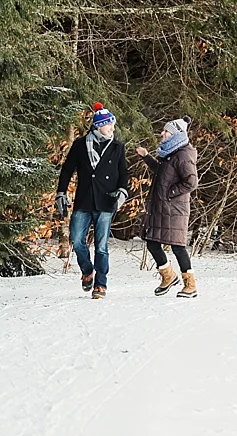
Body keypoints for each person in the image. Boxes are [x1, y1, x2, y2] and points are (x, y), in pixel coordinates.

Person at [54, 103, 131, 300]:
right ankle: (87, 270)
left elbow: (123, 174)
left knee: (102, 245)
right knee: (77, 239)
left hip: (107, 201)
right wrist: (61, 193)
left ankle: (101, 284)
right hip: (84, 200)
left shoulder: (117, 146)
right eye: (109, 125)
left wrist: (122, 193)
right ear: (99, 126)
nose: (112, 128)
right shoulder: (80, 145)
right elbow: (67, 169)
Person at [142, 116, 200, 296]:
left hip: (175, 209)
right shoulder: (171, 153)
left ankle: (190, 285)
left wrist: (170, 194)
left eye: (165, 131)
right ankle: (168, 276)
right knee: (152, 241)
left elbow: (191, 182)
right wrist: (146, 157)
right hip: (163, 208)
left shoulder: (183, 155)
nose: (162, 133)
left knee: (177, 246)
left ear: (175, 134)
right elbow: (162, 173)